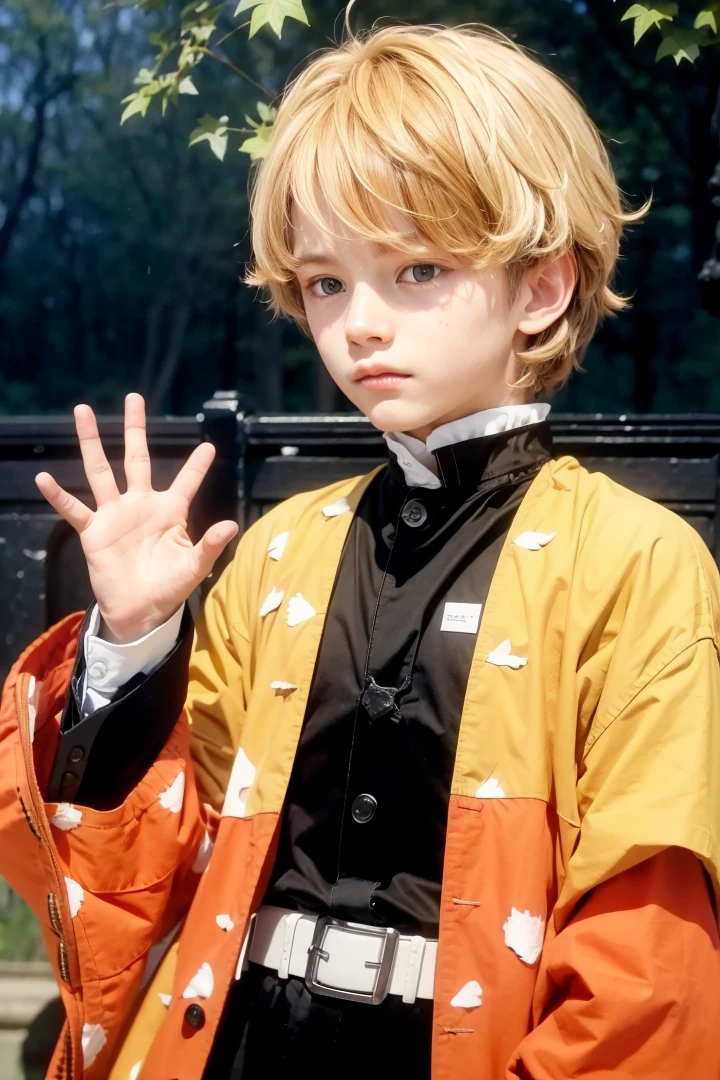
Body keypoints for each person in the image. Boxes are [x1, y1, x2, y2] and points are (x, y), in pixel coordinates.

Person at [2, 20, 720, 1080]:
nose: (360, 325)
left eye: (416, 268)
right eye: (328, 282)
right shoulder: (281, 549)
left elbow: (645, 966)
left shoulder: (635, 562)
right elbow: (150, 878)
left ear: (543, 287)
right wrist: (133, 647)